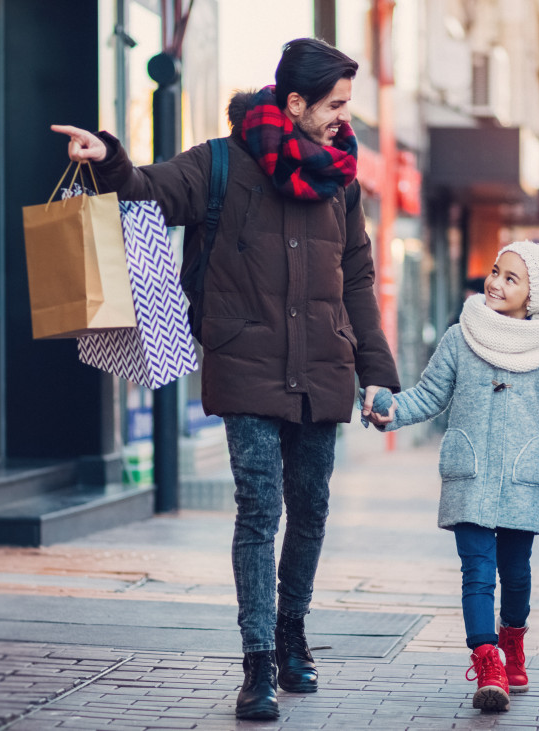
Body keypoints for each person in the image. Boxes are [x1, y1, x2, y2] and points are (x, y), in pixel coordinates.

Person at [51, 38, 400, 721]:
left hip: (321, 367)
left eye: (346, 105)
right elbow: (147, 189)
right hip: (245, 364)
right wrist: (109, 158)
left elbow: (356, 277)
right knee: (259, 510)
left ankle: (293, 631)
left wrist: (376, 374)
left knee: (312, 509)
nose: (342, 117)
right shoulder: (220, 162)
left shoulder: (341, 178)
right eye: (334, 104)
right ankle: (258, 663)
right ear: (294, 103)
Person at [379, 241, 539, 713]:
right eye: (496, 270)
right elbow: (429, 395)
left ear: (534, 296)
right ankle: (488, 660)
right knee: (476, 572)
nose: (495, 282)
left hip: (521, 477)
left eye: (510, 278)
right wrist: (392, 411)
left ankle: (512, 641)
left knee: (516, 576)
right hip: (469, 471)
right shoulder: (460, 336)